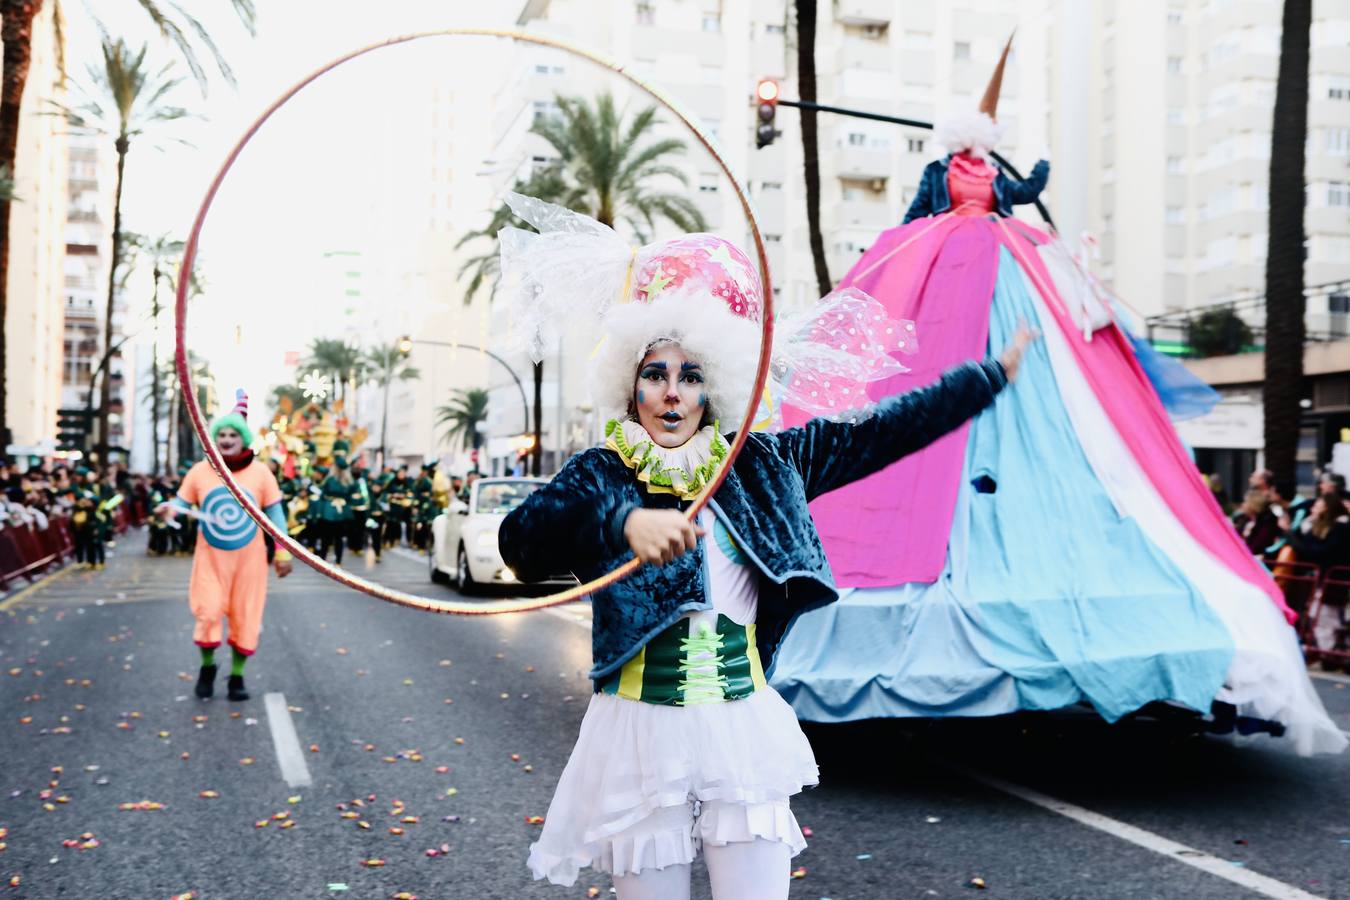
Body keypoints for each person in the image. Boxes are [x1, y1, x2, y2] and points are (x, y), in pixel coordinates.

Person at [495, 192, 1032, 897]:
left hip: (740, 726)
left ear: (714, 384)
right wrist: (621, 524)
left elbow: (881, 431)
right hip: (638, 733)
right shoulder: (602, 471)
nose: (671, 393)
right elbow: (520, 542)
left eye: (691, 375)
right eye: (654, 373)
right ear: (629, 382)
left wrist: (985, 379)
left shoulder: (768, 462)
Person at [164, 391, 293, 701]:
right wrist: (168, 510)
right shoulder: (200, 471)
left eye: (233, 434)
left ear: (244, 439)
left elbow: (275, 513)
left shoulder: (261, 473)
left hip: (249, 563)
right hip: (210, 560)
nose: (226, 438)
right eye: (221, 433)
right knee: (207, 612)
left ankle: (237, 676)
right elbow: (180, 505)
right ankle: (207, 669)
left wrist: (283, 551)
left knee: (245, 616)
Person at [1231, 488, 1281, 556]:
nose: (1242, 505)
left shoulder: (1267, 523)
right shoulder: (1244, 519)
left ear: (1253, 504)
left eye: (1245, 502)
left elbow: (1256, 547)